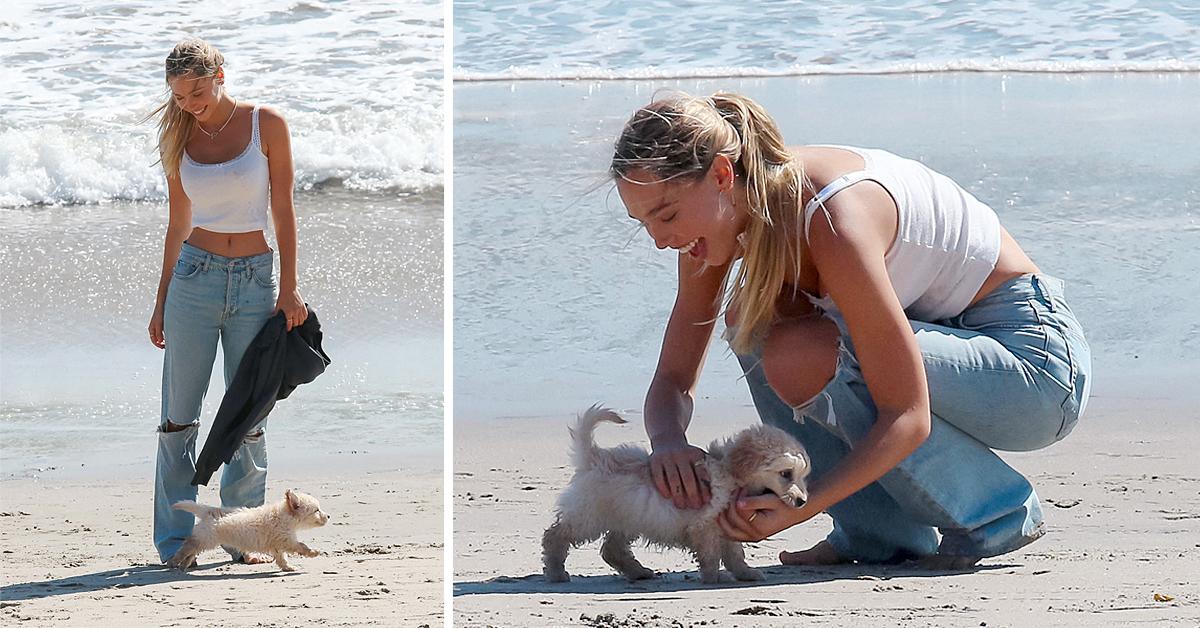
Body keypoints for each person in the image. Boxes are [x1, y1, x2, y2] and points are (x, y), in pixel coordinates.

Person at [610, 91, 1091, 567]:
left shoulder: (832, 216)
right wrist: (668, 442)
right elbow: (674, 378)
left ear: (720, 174)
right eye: (642, 222)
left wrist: (800, 506)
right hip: (948, 349)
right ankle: (878, 536)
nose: (659, 240)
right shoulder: (715, 225)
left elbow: (907, 413)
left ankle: (995, 511)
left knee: (799, 349)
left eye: (666, 215)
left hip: (1036, 371)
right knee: (754, 322)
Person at [146, 38, 307, 565]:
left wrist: (288, 286)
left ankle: (243, 535)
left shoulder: (267, 124)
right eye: (179, 95)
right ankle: (176, 541)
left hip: (257, 279)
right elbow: (177, 222)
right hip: (195, 277)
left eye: (197, 90)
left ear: (220, 73)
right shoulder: (177, 133)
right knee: (178, 418)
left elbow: (282, 209)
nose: (189, 102)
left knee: (249, 413)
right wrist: (162, 296)